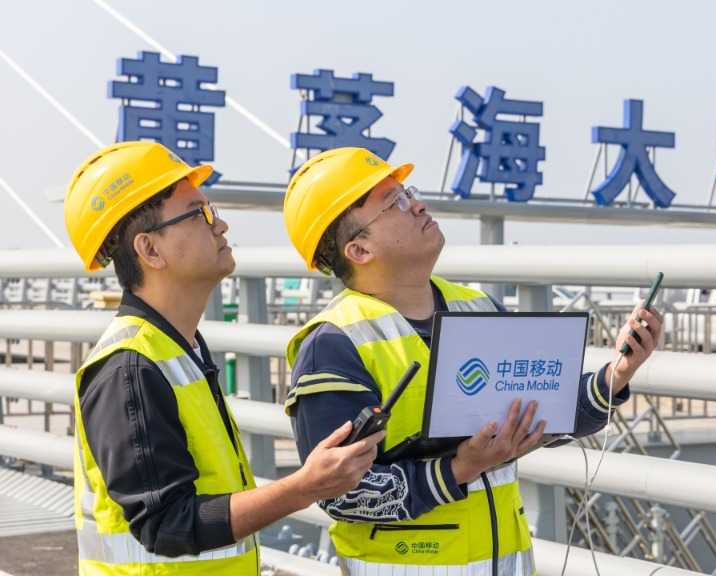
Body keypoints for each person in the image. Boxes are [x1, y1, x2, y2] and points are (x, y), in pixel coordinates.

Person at [281, 147, 663, 574]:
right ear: (359, 250)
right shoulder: (334, 343)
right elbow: (342, 494)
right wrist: (461, 467)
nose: (418, 205)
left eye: (408, 193)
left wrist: (617, 375)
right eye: (395, 203)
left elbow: (538, 416)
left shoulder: (476, 307)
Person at [64, 141, 383, 576]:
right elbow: (167, 524)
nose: (221, 224)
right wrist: (305, 486)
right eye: (199, 214)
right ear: (150, 250)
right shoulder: (130, 368)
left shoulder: (176, 347)